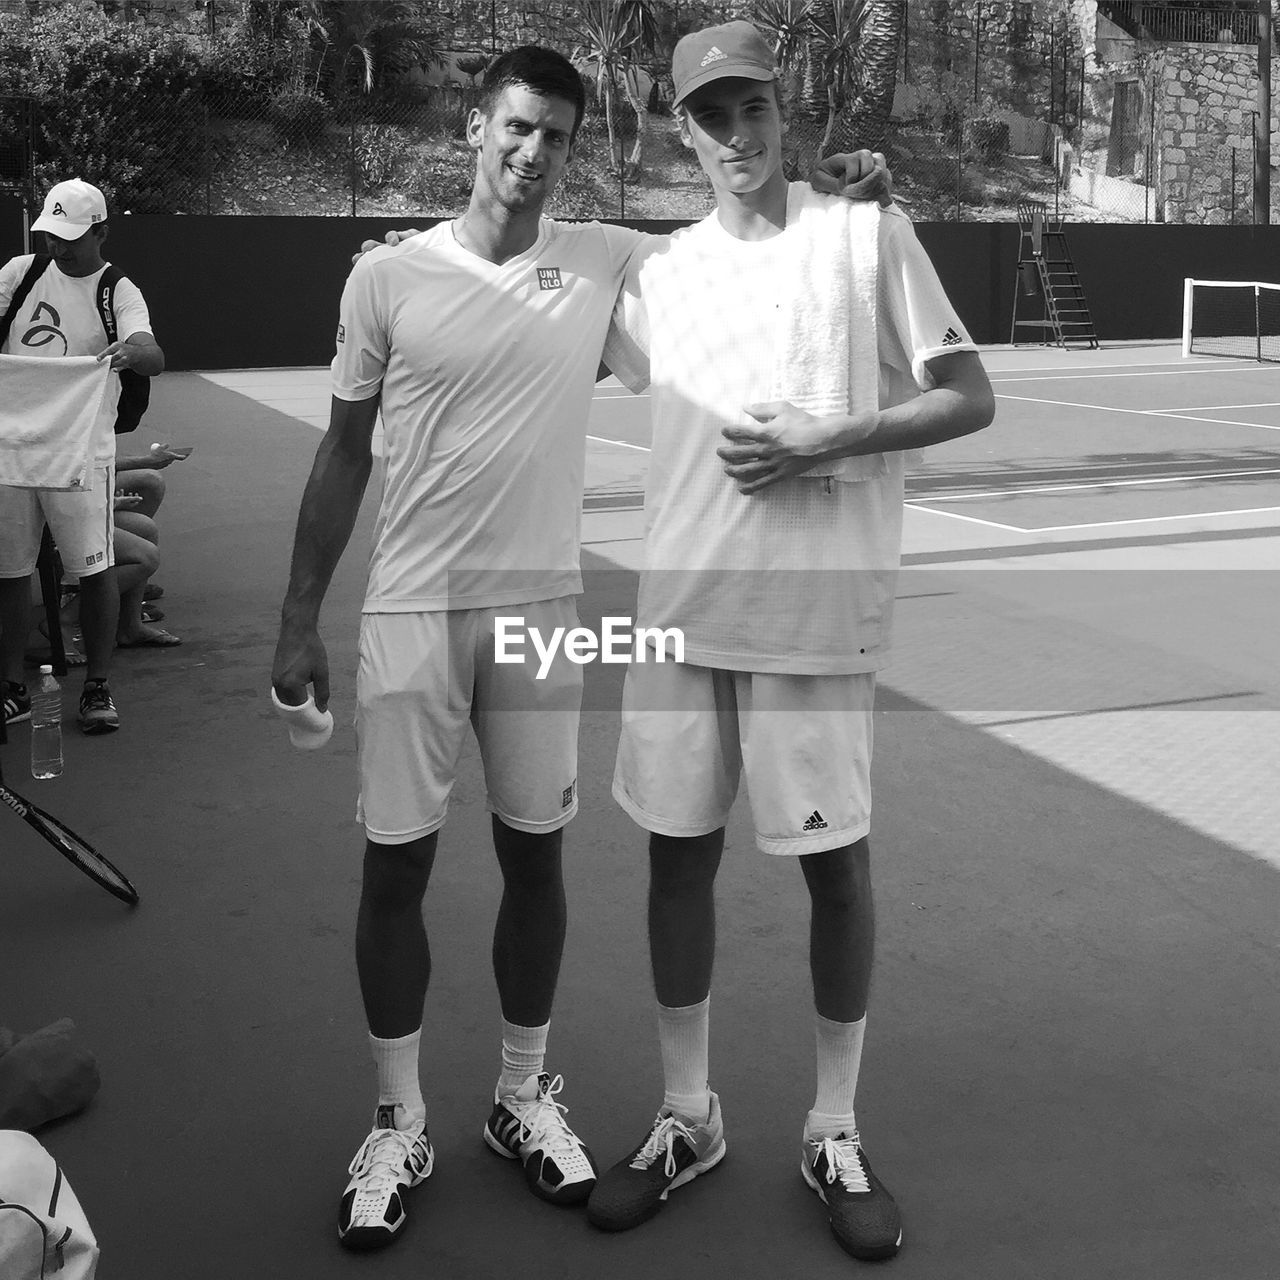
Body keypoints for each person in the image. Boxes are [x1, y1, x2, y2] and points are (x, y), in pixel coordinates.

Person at [272, 44, 891, 1254]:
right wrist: (298, 614)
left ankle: (521, 1093)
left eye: (554, 135)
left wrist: (831, 188)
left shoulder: (604, 260)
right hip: (408, 608)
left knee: (536, 858)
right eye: (513, 129)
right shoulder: (385, 278)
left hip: (539, 614)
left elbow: (738, 233)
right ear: (470, 129)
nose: (531, 153)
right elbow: (343, 451)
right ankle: (397, 1117)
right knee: (392, 869)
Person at [583, 21, 995, 1262]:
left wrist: (828, 437)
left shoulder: (862, 232)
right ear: (680, 133)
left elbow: (967, 394)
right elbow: (521, 276)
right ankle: (686, 1113)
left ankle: (830, 1125)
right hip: (681, 620)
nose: (736, 136)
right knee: (672, 860)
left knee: (833, 871)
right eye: (709, 117)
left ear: (786, 104)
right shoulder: (651, 274)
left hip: (813, 620)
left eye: (752, 106)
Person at [0, 178, 164, 734]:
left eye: (72, 237)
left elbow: (153, 356)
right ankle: (11, 688)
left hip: (80, 451)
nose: (60, 248)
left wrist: (135, 351)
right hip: (11, 448)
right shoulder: (19, 275)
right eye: (52, 235)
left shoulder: (119, 290)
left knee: (94, 569)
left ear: (101, 232)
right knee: (9, 571)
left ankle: (97, 685)